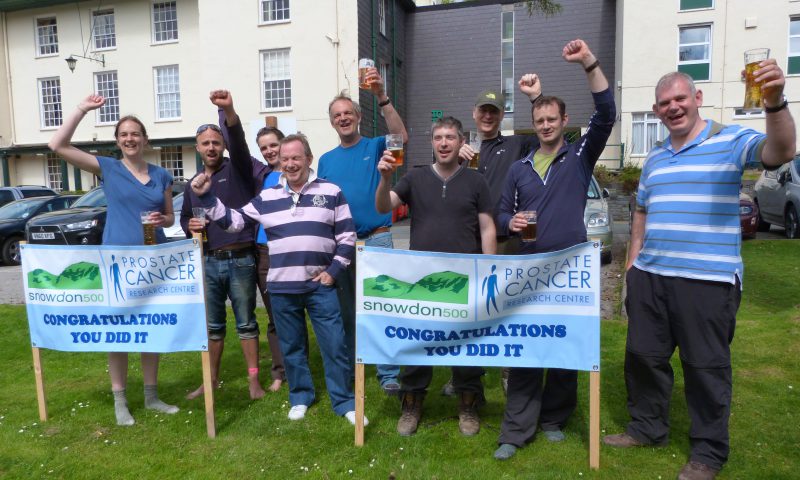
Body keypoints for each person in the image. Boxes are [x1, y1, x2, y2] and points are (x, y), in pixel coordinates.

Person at [603, 60, 795, 480]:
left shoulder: (729, 139)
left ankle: (707, 453)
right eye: (664, 102)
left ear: (697, 100)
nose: (673, 107)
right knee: (643, 358)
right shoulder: (653, 159)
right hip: (651, 278)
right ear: (657, 111)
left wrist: (776, 102)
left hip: (707, 280)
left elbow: (780, 152)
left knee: (705, 367)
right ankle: (646, 429)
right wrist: (633, 266)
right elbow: (641, 213)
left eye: (680, 99)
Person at [493, 39, 615, 460]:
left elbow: (607, 114)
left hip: (570, 273)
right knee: (526, 349)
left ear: (565, 121)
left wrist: (588, 63)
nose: (545, 125)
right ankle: (516, 429)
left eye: (552, 118)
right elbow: (500, 215)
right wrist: (512, 222)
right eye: (539, 119)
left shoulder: (580, 157)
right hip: (527, 272)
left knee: (564, 347)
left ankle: (555, 419)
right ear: (533, 123)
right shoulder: (519, 168)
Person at [190, 133, 364, 425]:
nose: (291, 164)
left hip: (321, 286)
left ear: (309, 158)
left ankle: (344, 401)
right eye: (285, 159)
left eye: (296, 157)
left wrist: (332, 272)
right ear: (280, 163)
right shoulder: (267, 197)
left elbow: (347, 237)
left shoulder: (332, 191)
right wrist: (207, 196)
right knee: (292, 347)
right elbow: (233, 222)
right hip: (282, 287)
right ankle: (300, 396)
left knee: (334, 344)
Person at [48, 94, 178, 426]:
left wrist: (163, 222)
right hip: (117, 263)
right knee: (118, 332)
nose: (130, 139)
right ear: (118, 141)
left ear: (145, 139)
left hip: (153, 263)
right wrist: (82, 110)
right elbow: (57, 145)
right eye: (124, 135)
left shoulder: (162, 175)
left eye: (136, 134)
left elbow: (168, 217)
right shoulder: (108, 167)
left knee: (151, 329)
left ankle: (151, 397)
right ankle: (121, 401)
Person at [375, 116, 497, 437]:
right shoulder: (414, 178)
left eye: (450, 137)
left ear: (460, 142)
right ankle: (412, 403)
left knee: (466, 345)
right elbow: (382, 206)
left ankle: (468, 404)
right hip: (423, 280)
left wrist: (489, 269)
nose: (444, 143)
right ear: (432, 142)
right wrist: (385, 179)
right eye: (438, 137)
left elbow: (487, 227)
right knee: (418, 344)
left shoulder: (476, 181)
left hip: (465, 279)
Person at [449, 75, 543, 397]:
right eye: (483, 111)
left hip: (504, 240)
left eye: (495, 111)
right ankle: (463, 373)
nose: (488, 116)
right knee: (466, 309)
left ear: (502, 115)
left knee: (505, 307)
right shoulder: (462, 150)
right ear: (474, 113)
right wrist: (452, 163)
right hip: (466, 241)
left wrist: (536, 98)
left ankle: (508, 370)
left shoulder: (517, 144)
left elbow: (551, 137)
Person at [318, 67, 408, 395]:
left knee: (383, 307)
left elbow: (402, 137)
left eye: (348, 113)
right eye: (336, 115)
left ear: (357, 116)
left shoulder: (376, 145)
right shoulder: (326, 161)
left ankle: (389, 374)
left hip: (378, 238)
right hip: (341, 244)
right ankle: (356, 366)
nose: (343, 118)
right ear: (332, 122)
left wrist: (381, 97)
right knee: (347, 312)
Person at [182, 90, 266, 400]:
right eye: (206, 143)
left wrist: (228, 110)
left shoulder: (239, 169)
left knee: (246, 323)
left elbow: (239, 140)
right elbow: (185, 218)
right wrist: (189, 225)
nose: (212, 147)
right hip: (209, 261)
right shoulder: (193, 183)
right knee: (213, 326)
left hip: (241, 258)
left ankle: (253, 382)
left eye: (217, 142)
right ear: (198, 148)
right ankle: (211, 380)